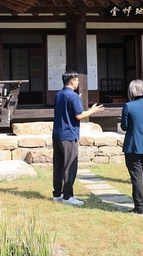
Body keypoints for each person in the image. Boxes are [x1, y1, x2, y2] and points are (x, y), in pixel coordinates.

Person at [52, 70, 105, 206]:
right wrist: (93, 110)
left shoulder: (58, 95)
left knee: (58, 165)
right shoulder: (73, 96)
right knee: (70, 165)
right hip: (69, 135)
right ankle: (68, 196)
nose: (78, 83)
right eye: (77, 80)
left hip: (57, 135)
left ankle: (57, 194)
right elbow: (79, 115)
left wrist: (78, 99)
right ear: (72, 81)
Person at [120, 79, 143, 215]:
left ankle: (139, 206)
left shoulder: (128, 106)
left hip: (133, 145)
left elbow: (124, 126)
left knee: (136, 177)